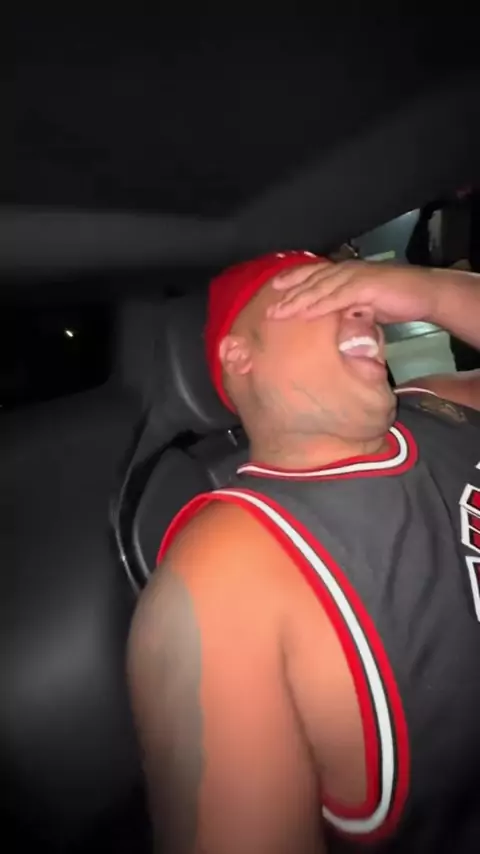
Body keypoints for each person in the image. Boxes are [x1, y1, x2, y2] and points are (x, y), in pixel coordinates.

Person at [127, 252, 480, 853]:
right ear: (239, 354)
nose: (363, 305)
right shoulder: (227, 571)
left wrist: (430, 292)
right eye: (319, 291)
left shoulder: (439, 403)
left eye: (361, 291)